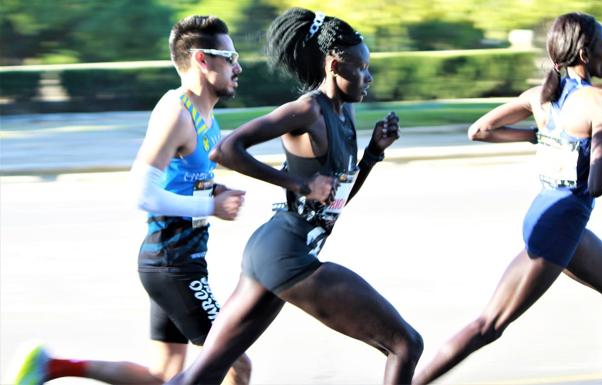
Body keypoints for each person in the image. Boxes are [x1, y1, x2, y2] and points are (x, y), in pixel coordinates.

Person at [166, 7, 424, 385]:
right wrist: (298, 185)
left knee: (202, 376)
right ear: (335, 65)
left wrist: (372, 154)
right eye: (362, 68)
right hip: (285, 252)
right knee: (405, 344)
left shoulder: (344, 113)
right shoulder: (307, 110)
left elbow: (334, 202)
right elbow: (226, 150)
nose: (369, 77)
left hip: (276, 253)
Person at [7, 15, 251, 385]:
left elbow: (178, 182)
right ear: (202, 59)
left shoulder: (206, 116)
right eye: (229, 57)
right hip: (173, 265)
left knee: (162, 376)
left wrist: (213, 191)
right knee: (236, 363)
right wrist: (210, 207)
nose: (238, 66)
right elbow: (141, 192)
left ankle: (52, 367)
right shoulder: (176, 112)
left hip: (176, 261)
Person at [412, 12, 602, 385]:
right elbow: (598, 185)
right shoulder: (599, 103)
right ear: (586, 53)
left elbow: (480, 130)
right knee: (489, 325)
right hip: (560, 228)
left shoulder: (541, 98)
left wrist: (537, 135)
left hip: (548, 216)